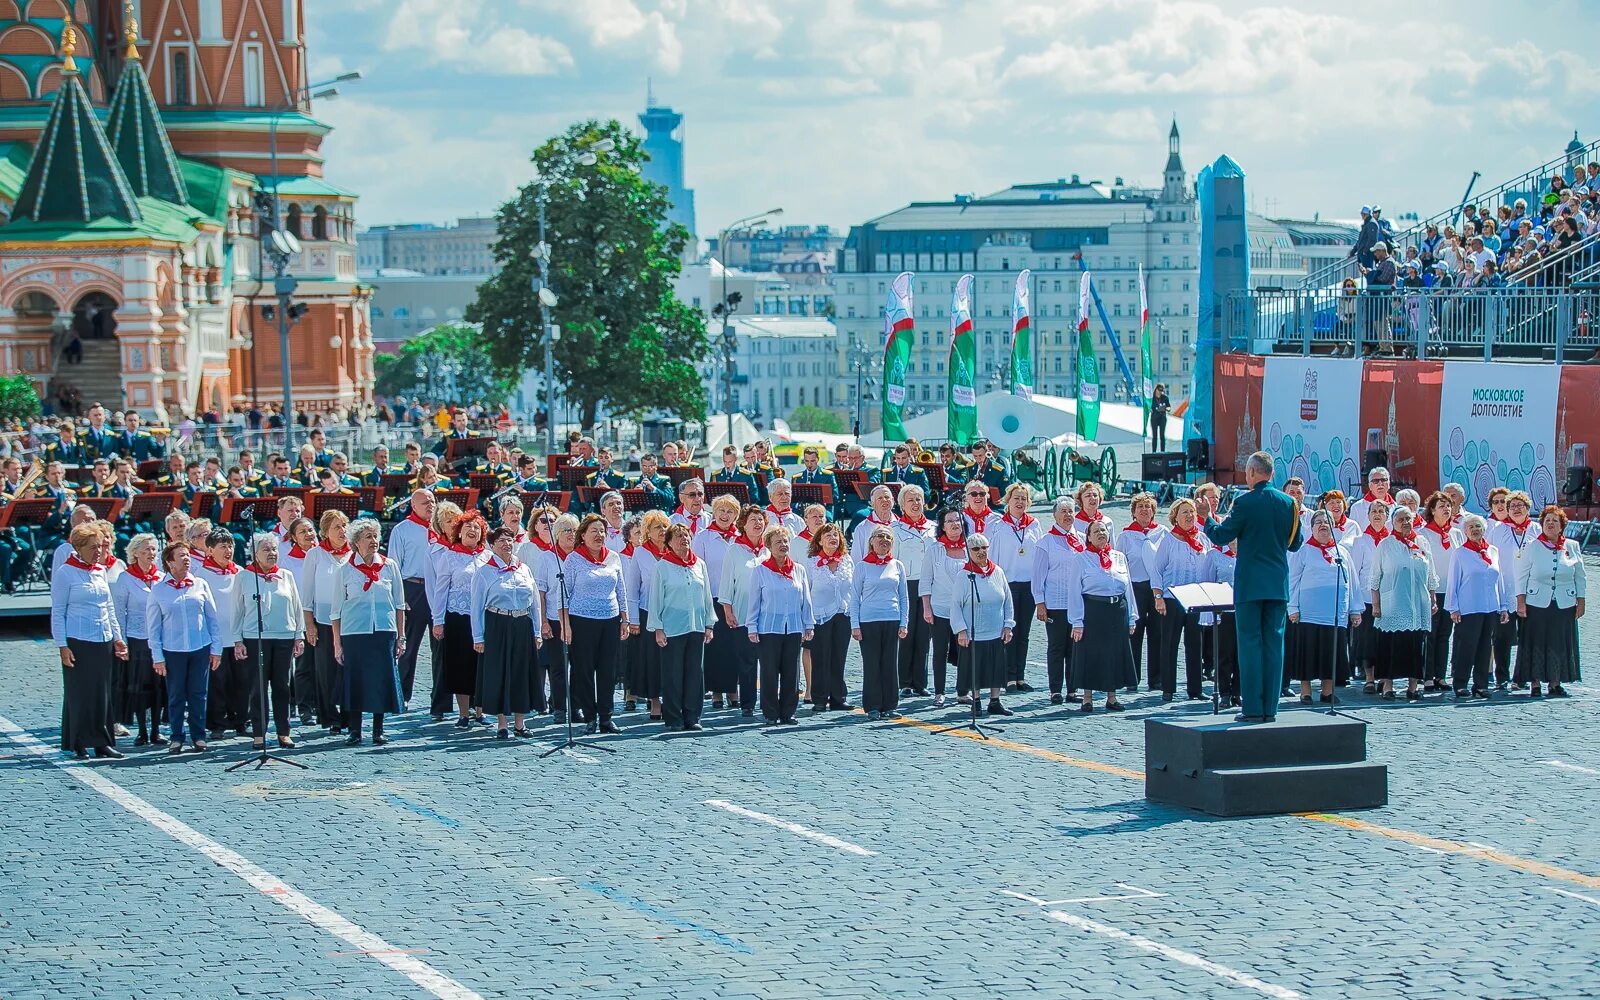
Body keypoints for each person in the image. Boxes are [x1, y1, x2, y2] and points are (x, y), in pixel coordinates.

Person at [1201, 450, 1303, 723]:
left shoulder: (1244, 502)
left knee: (1249, 645)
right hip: (1277, 584)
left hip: (1249, 586)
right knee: (1274, 644)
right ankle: (1270, 707)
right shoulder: (1288, 504)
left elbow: (1222, 535)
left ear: (1254, 473)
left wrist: (1207, 517)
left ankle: (1253, 708)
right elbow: (1295, 543)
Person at [51, 522, 128, 760]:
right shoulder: (66, 572)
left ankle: (102, 741)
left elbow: (108, 607)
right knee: (80, 693)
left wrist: (117, 637)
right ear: (79, 547)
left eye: (100, 546)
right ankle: (79, 742)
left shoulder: (100, 571)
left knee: (102, 692)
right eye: (93, 547)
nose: (98, 551)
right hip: (78, 640)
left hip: (102, 638)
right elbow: (58, 611)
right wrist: (62, 646)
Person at [329, 519, 406, 746]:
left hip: (383, 630)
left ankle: (378, 729)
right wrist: (337, 643)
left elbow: (400, 605)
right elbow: (336, 611)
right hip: (355, 632)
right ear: (356, 543)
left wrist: (401, 637)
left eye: (375, 536)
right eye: (368, 537)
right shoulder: (344, 570)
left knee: (380, 680)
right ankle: (355, 729)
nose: (374, 541)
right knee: (356, 681)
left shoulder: (389, 566)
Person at [229, 533, 305, 750]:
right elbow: (237, 610)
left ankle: (284, 732)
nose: (272, 553)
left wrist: (298, 635)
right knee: (258, 687)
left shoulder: (286, 575)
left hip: (283, 636)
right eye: (266, 550)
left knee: (282, 685)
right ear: (255, 554)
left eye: (274, 549)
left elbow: (296, 607)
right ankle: (259, 733)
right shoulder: (244, 577)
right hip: (255, 638)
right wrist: (237, 639)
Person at [146, 541, 221, 755]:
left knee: (199, 693)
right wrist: (157, 656)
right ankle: (176, 736)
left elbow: (212, 618)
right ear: (169, 562)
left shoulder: (200, 584)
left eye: (188, 555)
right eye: (181, 556)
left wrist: (216, 649)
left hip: (199, 646)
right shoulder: (159, 589)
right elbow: (153, 627)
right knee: (176, 694)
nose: (187, 559)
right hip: (173, 649)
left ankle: (199, 736)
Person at [562, 514, 631, 734]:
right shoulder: (573, 559)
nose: (599, 535)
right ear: (582, 535)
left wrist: (625, 618)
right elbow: (564, 595)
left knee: (607, 671)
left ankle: (606, 716)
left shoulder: (613, 557)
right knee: (583, 670)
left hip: (609, 620)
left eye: (602, 531)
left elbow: (621, 589)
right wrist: (565, 624)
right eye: (594, 531)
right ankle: (589, 716)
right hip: (582, 620)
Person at [471, 525, 541, 739]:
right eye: (501, 540)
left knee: (521, 672)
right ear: (492, 545)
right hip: (497, 624)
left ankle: (520, 723)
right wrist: (478, 636)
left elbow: (535, 601)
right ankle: (502, 723)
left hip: (521, 623)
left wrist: (537, 630)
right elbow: (476, 607)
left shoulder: (524, 568)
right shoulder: (484, 572)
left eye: (509, 540)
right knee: (499, 673)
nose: (506, 544)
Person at [1287, 510, 1360, 704]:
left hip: (1335, 612)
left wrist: (1355, 609)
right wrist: (1292, 607)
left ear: (1333, 527)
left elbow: (1351, 581)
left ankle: (1327, 691)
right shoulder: (1303, 551)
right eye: (1318, 522)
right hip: (1309, 612)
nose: (1322, 525)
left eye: (1326, 522)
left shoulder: (1342, 552)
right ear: (1311, 528)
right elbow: (1292, 580)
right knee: (1308, 651)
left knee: (1331, 651)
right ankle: (1306, 691)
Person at [649, 523, 716, 731]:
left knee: (695, 673)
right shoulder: (663, 565)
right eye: (678, 536)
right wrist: (657, 627)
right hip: (673, 626)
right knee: (673, 674)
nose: (683, 539)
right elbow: (656, 598)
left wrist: (709, 623)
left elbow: (706, 596)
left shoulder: (700, 565)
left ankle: (692, 716)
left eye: (686, 535)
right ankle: (673, 717)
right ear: (669, 542)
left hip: (696, 626)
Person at [1514, 505, 1585, 698]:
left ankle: (1555, 682)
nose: (1551, 524)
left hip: (1564, 602)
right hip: (1537, 601)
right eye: (1547, 521)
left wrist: (1581, 600)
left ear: (1562, 526)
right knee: (1536, 641)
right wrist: (1521, 601)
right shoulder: (1532, 546)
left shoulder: (1572, 546)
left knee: (1559, 642)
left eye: (1555, 521)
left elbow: (1580, 575)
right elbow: (1521, 576)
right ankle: (1534, 683)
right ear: (1542, 524)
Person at [746, 525, 814, 725]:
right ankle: (770, 712)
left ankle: (788, 711)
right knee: (769, 672)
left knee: (791, 672)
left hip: (792, 627)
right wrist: (752, 626)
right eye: (778, 542)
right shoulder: (761, 571)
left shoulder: (798, 570)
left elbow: (806, 600)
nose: (783, 545)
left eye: (785, 542)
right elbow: (754, 602)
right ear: (769, 546)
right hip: (769, 628)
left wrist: (808, 625)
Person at [1066, 520, 1137, 711]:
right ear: (1088, 536)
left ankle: (1112, 697)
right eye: (1095, 531)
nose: (1100, 534)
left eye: (1103, 530)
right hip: (1093, 610)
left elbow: (1128, 587)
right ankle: (1087, 698)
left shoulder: (1119, 557)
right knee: (1091, 653)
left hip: (1117, 611)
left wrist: (1132, 616)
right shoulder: (1081, 559)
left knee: (1113, 653)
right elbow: (1074, 591)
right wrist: (1077, 621)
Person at [1370, 506, 1438, 701]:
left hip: (1418, 602)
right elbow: (1375, 577)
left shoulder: (1422, 542)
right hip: (1394, 604)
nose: (1405, 522)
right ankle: (1387, 686)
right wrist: (1376, 604)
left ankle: (1413, 686)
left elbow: (1431, 573)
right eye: (1400, 519)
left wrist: (1433, 597)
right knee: (1391, 645)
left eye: (1408, 518)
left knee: (1416, 645)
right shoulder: (1386, 544)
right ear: (1393, 522)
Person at [1150, 498, 1212, 703]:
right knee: (1169, 643)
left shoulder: (1202, 538)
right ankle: (1168, 688)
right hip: (1172, 597)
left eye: (1192, 512)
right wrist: (1158, 597)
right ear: (1175, 516)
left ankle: (1195, 688)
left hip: (1196, 597)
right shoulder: (1168, 540)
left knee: (1195, 644)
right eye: (1184, 512)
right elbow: (1157, 570)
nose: (1189, 516)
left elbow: (1210, 568)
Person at [433, 510, 488, 729]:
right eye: (468, 527)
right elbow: (441, 589)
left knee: (481, 666)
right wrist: (438, 620)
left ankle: (481, 711)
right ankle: (464, 713)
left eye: (476, 527)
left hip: (483, 617)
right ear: (459, 532)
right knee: (460, 664)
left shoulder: (488, 556)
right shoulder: (450, 556)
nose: (472, 531)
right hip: (458, 617)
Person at [1446, 514, 1510, 699]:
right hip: (1469, 607)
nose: (1475, 530)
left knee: (1485, 647)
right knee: (1467, 646)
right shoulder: (1460, 553)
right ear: (1465, 531)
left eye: (1478, 527)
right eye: (1471, 527)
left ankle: (1481, 684)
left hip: (1490, 607)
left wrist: (1503, 606)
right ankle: (1460, 682)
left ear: (1484, 529)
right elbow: (1453, 581)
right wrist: (1453, 607)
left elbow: (1500, 581)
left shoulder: (1493, 551)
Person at [951, 533, 1015, 717]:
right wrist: (961, 630)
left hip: (996, 630)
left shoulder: (998, 572)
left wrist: (1008, 625)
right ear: (969, 552)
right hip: (973, 633)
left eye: (984, 548)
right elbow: (955, 605)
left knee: (996, 667)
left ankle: (995, 701)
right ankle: (976, 701)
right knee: (975, 668)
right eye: (976, 549)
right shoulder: (964, 576)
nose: (981, 552)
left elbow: (1008, 601)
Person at [300, 509, 352, 733]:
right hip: (323, 620)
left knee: (348, 669)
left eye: (344, 526)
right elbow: (307, 593)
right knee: (326, 670)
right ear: (325, 532)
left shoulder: (354, 553)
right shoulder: (315, 554)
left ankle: (350, 714)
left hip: (350, 619)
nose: (342, 531)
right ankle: (330, 716)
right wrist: (309, 624)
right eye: (336, 527)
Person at [990, 483, 1044, 695]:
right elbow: (993, 557)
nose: (1020, 502)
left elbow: (1039, 556)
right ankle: (1007, 676)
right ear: (1008, 501)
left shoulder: (1034, 524)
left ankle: (1020, 676)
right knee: (1008, 631)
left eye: (1023, 499)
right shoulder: (999, 526)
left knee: (1024, 633)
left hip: (1028, 584)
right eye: (1016, 498)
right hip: (1008, 584)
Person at [113, 533, 166, 746]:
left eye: (153, 550)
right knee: (140, 686)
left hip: (160, 639)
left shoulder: (161, 577)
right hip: (138, 639)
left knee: (158, 685)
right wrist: (121, 640)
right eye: (145, 550)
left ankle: (156, 729)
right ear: (135, 553)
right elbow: (119, 612)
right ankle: (142, 730)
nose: (150, 554)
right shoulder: (125, 578)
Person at [852, 524, 909, 721]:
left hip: (892, 619)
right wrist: (855, 624)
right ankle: (873, 705)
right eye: (880, 536)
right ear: (871, 541)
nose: (884, 540)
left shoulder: (897, 565)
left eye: (888, 537)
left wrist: (904, 622)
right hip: (868, 620)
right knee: (872, 664)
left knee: (889, 664)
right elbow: (854, 598)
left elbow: (903, 597)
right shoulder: (862, 566)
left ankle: (890, 704)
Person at [386, 489, 437, 708]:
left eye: (433, 501)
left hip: (437, 589)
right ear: (413, 506)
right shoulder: (402, 530)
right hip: (412, 588)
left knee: (440, 646)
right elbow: (393, 565)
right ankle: (402, 696)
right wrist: (399, 596)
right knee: (408, 646)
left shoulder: (441, 527)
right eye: (425, 502)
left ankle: (440, 701)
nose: (430, 505)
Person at [692, 495, 743, 710]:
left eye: (730, 511)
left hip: (736, 598)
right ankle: (716, 691)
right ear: (714, 512)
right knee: (715, 647)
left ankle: (733, 689)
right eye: (721, 510)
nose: (725, 515)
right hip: (712, 597)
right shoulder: (703, 537)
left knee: (735, 647)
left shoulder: (739, 537)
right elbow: (696, 567)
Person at [717, 506, 768, 718]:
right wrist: (728, 610)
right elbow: (727, 583)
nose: (757, 524)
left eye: (760, 520)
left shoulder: (769, 548)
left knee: (768, 662)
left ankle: (768, 701)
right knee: (746, 662)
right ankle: (747, 703)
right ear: (743, 525)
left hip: (768, 616)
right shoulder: (734, 549)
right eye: (753, 520)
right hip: (743, 613)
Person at [1033, 497, 1084, 705]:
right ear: (1054, 515)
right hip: (1055, 602)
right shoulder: (1045, 542)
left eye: (1070, 511)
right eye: (1063, 511)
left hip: (1076, 603)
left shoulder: (1081, 539)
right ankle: (1055, 689)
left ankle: (1073, 689)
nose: (1067, 515)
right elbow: (1038, 575)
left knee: (1075, 647)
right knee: (1056, 648)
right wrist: (1040, 602)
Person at [195, 526, 243, 737]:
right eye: (223, 546)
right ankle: (217, 723)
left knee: (240, 681)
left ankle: (241, 719)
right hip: (215, 637)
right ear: (210, 550)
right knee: (218, 682)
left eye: (230, 546)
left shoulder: (240, 572)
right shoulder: (201, 575)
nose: (228, 551)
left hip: (238, 636)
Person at [1117, 491, 1166, 694]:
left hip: (1156, 588)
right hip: (1135, 588)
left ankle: (1157, 678)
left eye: (1148, 507)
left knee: (1158, 633)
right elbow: (1119, 563)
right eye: (1140, 507)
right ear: (1134, 512)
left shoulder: (1162, 532)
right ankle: (1131, 677)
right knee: (1134, 633)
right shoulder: (1126, 536)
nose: (1145, 510)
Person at [1488, 491, 1537, 690]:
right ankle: (1502, 676)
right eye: (1513, 506)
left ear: (1528, 508)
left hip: (1530, 592)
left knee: (1527, 637)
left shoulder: (1536, 529)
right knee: (1502, 637)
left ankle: (1521, 676)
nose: (1517, 509)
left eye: (1520, 506)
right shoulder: (1498, 530)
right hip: (1505, 591)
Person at [804, 522, 853, 714]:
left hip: (843, 614)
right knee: (820, 657)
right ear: (819, 541)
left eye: (836, 535)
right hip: (820, 616)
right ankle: (819, 698)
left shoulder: (847, 561)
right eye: (827, 535)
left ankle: (838, 697)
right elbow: (806, 592)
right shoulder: (812, 563)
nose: (833, 538)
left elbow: (854, 589)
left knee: (839, 657)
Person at [890, 485, 934, 698]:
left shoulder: (933, 528)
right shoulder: (895, 530)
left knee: (924, 636)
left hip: (928, 585)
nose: (916, 504)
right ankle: (904, 681)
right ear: (902, 505)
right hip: (906, 583)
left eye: (919, 499)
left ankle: (920, 681)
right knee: (906, 633)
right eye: (911, 500)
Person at [535, 513, 579, 722]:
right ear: (557, 534)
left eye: (574, 530)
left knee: (579, 665)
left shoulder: (580, 556)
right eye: (567, 530)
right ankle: (560, 707)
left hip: (579, 617)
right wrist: (543, 621)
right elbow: (541, 592)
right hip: (554, 617)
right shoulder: (547, 557)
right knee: (558, 666)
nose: (572, 535)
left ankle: (577, 706)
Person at [923, 508, 968, 708]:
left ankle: (962, 691)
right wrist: (926, 608)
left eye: (957, 520)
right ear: (942, 526)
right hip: (940, 608)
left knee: (964, 651)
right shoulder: (935, 549)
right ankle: (939, 691)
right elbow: (926, 581)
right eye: (949, 521)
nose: (954, 524)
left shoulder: (970, 546)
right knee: (940, 650)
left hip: (965, 610)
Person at [1417, 491, 1460, 693]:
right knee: (1430, 634)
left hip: (1450, 591)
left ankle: (1440, 675)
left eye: (1448, 505)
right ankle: (1426, 676)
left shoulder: (1456, 533)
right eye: (1441, 505)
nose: (1446, 509)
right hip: (1431, 590)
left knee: (1445, 634)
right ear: (1432, 510)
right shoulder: (1423, 534)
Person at [1348, 499, 1389, 693]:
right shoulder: (1361, 540)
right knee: (1367, 639)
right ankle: (1369, 677)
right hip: (1366, 598)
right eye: (1374, 511)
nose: (1377, 514)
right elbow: (1355, 572)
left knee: (1385, 640)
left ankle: (1384, 676)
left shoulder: (1392, 541)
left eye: (1381, 511)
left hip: (1389, 597)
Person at [1149, 383, 1170, 451]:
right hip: (1154, 418)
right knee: (1154, 436)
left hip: (1162, 418)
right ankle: (1154, 451)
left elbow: (1169, 407)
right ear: (1156, 390)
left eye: (1161, 391)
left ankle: (1162, 451)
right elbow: (1149, 406)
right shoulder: (1151, 398)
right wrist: (1150, 409)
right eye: (1159, 390)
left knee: (1162, 436)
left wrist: (1166, 408)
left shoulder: (1165, 398)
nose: (1160, 392)